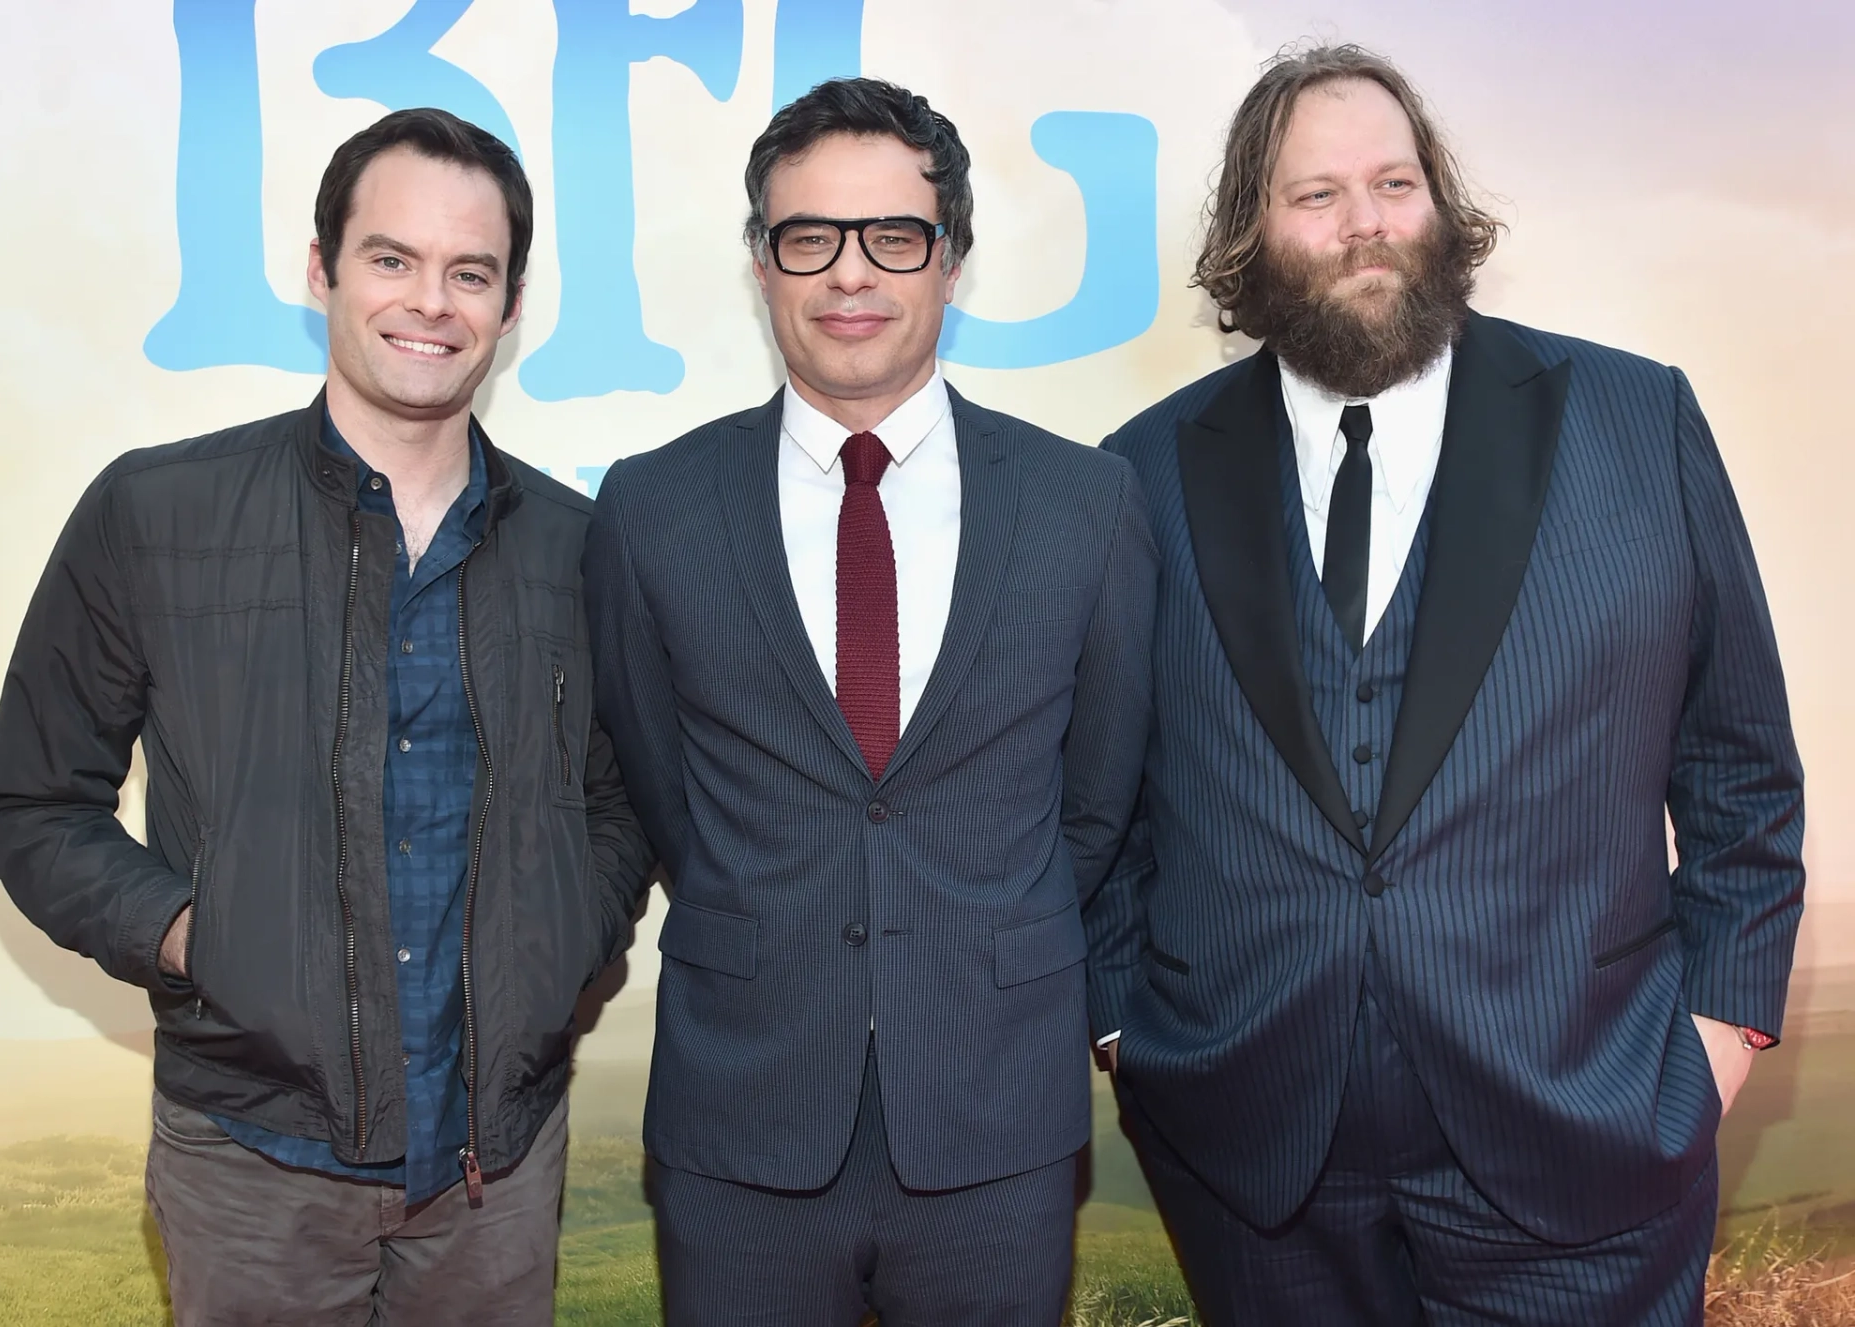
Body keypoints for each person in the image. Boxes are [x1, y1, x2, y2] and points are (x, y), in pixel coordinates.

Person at [1088, 44, 1805, 1326]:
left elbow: (1741, 769)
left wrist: (1720, 1038)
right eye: (1317, 196)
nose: (1366, 224)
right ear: (1253, 236)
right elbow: (1093, 804)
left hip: (1589, 1146)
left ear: (1440, 204)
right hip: (1258, 1175)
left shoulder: (1639, 423)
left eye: (1396, 182)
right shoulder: (1138, 477)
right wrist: (1127, 1040)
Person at [0, 107, 652, 1325]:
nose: (429, 301)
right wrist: (195, 935)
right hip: (250, 1166)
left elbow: (619, 803)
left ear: (511, 299)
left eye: (470, 271)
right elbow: (30, 802)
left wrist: (561, 947)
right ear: (320, 268)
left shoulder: (583, 549)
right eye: (391, 259)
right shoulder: (154, 513)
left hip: (499, 1174)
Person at [585, 77, 1157, 1325]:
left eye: (895, 236)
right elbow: (663, 790)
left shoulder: (1087, 507)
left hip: (997, 1115)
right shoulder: (652, 509)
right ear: (762, 264)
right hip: (740, 1114)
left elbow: (1097, 803)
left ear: (951, 262)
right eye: (810, 237)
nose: (853, 275)